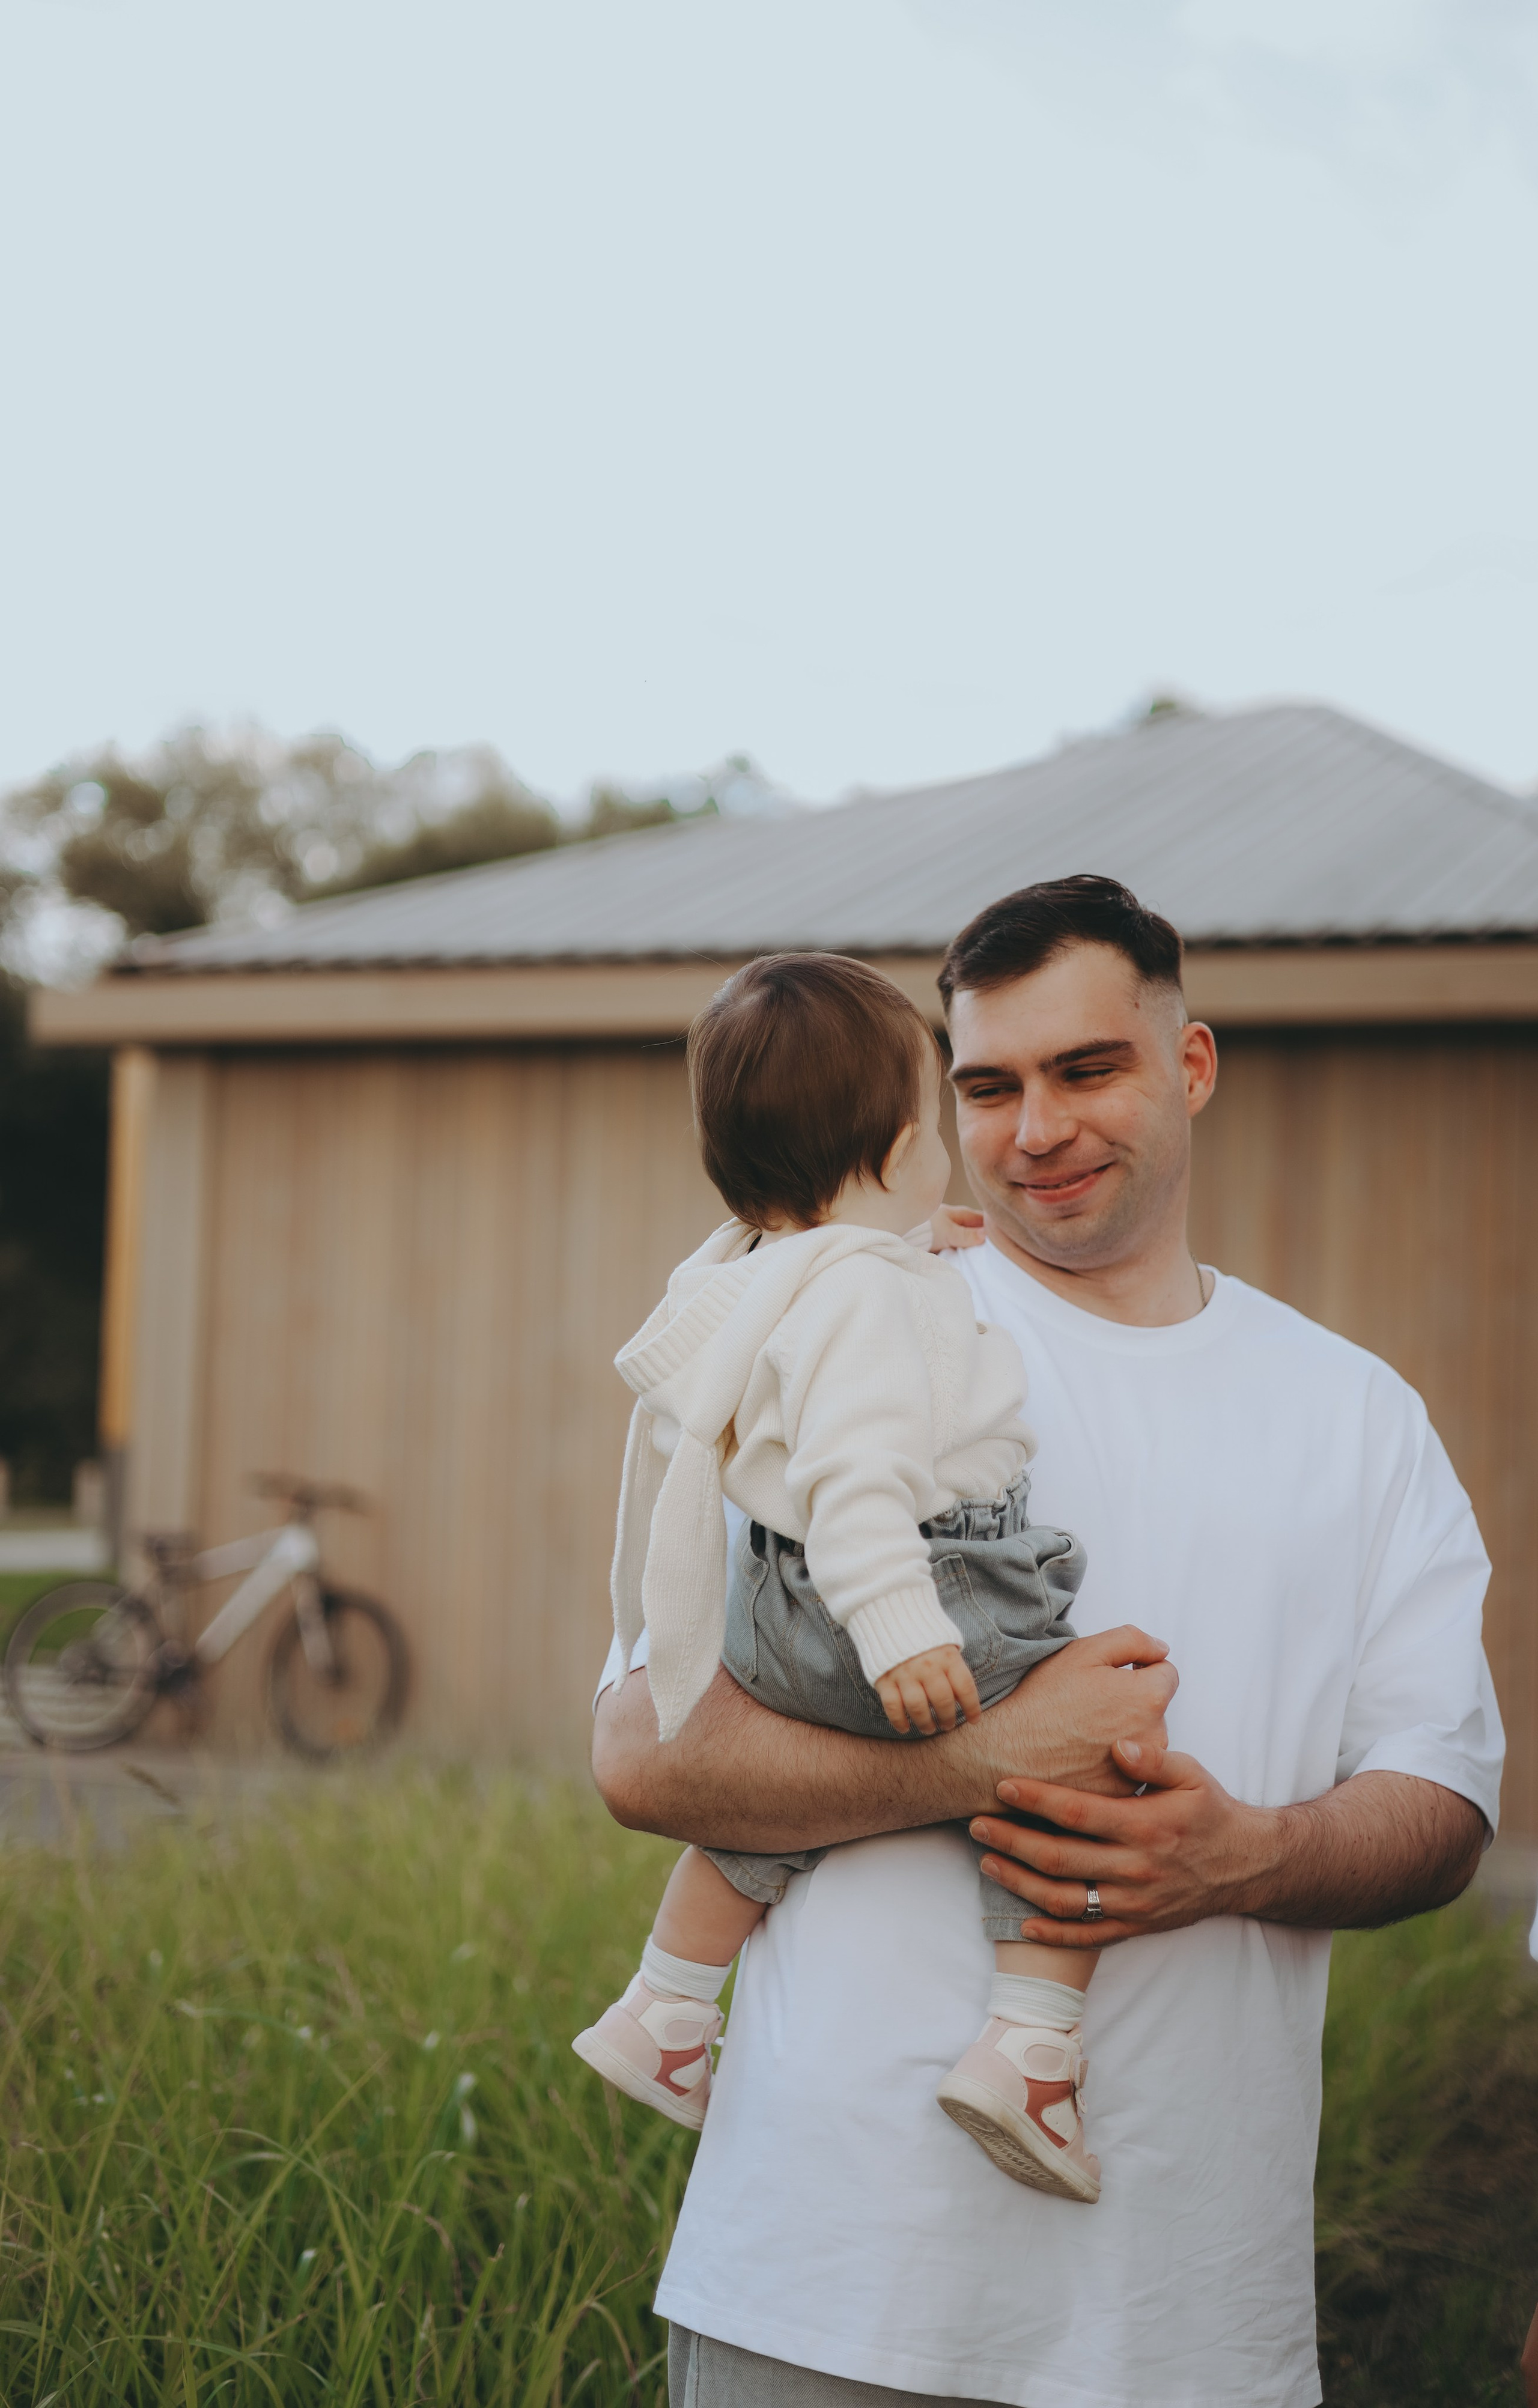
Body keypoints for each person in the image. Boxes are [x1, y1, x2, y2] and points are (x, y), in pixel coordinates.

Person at [593, 875, 1504, 2408]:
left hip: (1185, 2317)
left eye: (1087, 1070)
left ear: (1190, 1064)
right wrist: (986, 1755)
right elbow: (645, 1756)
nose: (1034, 1131)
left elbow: (1443, 1806)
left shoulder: (1354, 1415)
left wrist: (1246, 1856)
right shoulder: (843, 1315)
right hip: (824, 2278)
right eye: (988, 1087)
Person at [573, 954, 1102, 2201]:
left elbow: (831, 1274)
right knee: (1084, 1755)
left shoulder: (763, 1266)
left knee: (779, 1816)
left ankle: (666, 2007)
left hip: (773, 1615)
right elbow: (859, 1478)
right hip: (914, 1580)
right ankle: (1029, 2048)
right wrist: (903, 1630)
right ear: (910, 1138)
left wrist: (912, 1240)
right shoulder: (866, 1298)